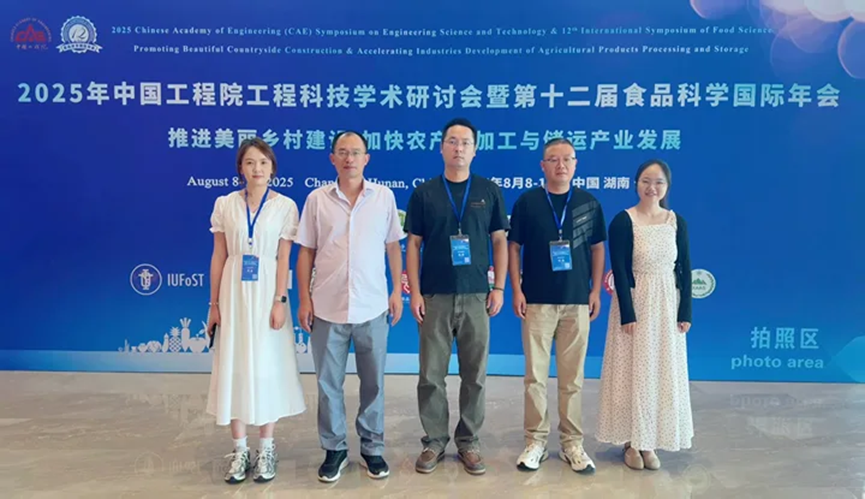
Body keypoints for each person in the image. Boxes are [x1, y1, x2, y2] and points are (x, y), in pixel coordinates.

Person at [295, 131, 404, 483]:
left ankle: (372, 448)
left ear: (366, 158)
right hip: (327, 306)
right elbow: (306, 251)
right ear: (332, 159)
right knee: (328, 384)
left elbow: (393, 246)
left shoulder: (383, 197)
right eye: (342, 152)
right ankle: (335, 449)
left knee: (374, 383)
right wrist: (304, 298)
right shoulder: (317, 199)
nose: (349, 158)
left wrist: (396, 291)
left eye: (355, 152)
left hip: (373, 305)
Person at [404, 117, 509, 476]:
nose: (458, 148)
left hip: (477, 295)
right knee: (430, 375)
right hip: (435, 296)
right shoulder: (424, 193)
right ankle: (434, 440)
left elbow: (500, 241)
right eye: (452, 141)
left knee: (474, 375)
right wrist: (415, 292)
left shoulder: (489, 191)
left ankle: (469, 441)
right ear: (441, 148)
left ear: (474, 150)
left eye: (465, 142)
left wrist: (499, 288)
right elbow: (413, 245)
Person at [205, 137, 307, 484]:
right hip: (232, 292)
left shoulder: (285, 206)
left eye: (263, 162)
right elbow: (219, 256)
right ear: (240, 168)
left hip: (266, 293)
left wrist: (280, 300)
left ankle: (266, 448)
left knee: (266, 364)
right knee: (233, 364)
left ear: (272, 168)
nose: (257, 169)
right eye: (250, 162)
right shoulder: (225, 204)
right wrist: (214, 304)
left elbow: (284, 257)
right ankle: (239, 449)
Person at [507, 137, 606, 473]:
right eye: (553, 159)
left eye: (567, 159)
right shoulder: (528, 202)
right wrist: (516, 289)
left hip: (576, 302)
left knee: (572, 379)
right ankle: (535, 441)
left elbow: (597, 248)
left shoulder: (589, 203)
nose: (561, 165)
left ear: (576, 164)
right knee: (534, 377)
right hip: (536, 302)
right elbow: (514, 247)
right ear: (543, 165)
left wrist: (595, 291)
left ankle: (572, 444)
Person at [596, 158, 693, 471]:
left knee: (659, 373)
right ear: (636, 184)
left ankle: (649, 441)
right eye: (646, 181)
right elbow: (621, 269)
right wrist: (628, 313)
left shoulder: (676, 222)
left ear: (667, 186)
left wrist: (685, 310)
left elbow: (684, 268)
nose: (652, 187)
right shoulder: (624, 221)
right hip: (636, 305)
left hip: (666, 306)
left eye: (659, 182)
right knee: (633, 373)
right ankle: (631, 441)